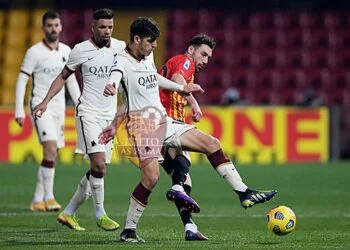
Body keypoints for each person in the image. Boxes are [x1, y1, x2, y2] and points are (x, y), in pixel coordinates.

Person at [100, 17, 277, 243]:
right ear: (136, 39)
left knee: (212, 143)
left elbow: (154, 78)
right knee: (151, 178)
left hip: (165, 121)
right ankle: (129, 230)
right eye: (151, 41)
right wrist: (112, 86)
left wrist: (182, 88)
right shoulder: (121, 62)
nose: (155, 46)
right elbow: (115, 76)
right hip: (142, 126)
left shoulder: (147, 56)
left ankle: (243, 192)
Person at [33, 8, 125, 231]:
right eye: (102, 27)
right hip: (88, 114)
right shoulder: (80, 50)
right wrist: (45, 101)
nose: (107, 31)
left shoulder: (121, 48)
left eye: (110, 27)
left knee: (98, 170)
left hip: (109, 116)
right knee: (99, 164)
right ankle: (100, 213)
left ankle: (69, 212)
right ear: (92, 27)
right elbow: (63, 76)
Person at [15, 11, 81, 212]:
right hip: (39, 106)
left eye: (56, 25)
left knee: (52, 152)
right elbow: (22, 80)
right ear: (43, 28)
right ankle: (49, 197)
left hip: (59, 108)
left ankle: (37, 199)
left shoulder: (66, 51)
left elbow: (70, 79)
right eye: (50, 25)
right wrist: (19, 110)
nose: (53, 28)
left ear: (61, 27)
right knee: (51, 148)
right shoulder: (34, 52)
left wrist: (80, 104)